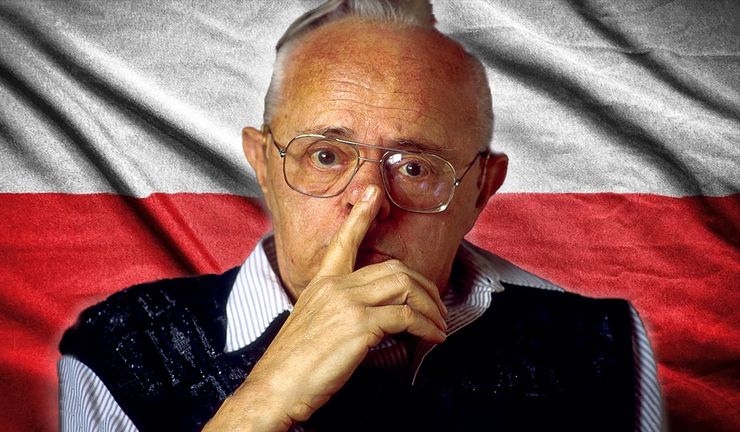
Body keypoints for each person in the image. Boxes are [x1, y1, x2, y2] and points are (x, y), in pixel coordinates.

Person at [58, 1, 662, 431]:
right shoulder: (117, 349)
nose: (368, 201)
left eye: (415, 166)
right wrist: (260, 403)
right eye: (326, 156)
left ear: (482, 189)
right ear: (263, 163)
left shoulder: (601, 343)